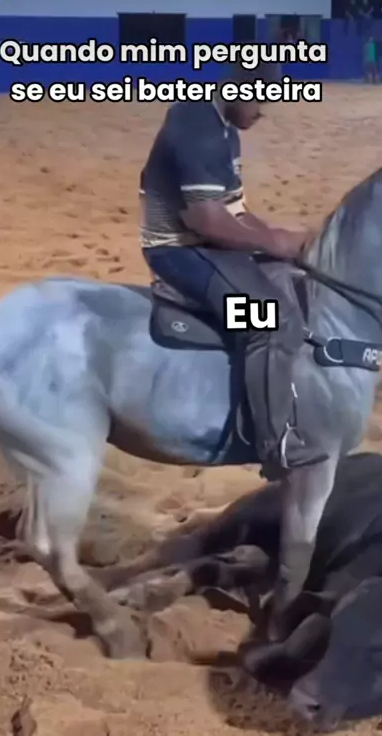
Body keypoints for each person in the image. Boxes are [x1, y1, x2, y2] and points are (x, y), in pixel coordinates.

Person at [139, 62, 317, 477]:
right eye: (261, 101)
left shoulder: (225, 129)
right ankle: (275, 444)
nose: (263, 112)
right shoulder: (195, 124)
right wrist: (273, 243)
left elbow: (236, 213)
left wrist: (281, 240)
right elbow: (207, 222)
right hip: (179, 251)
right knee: (271, 321)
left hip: (209, 245)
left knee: (291, 279)